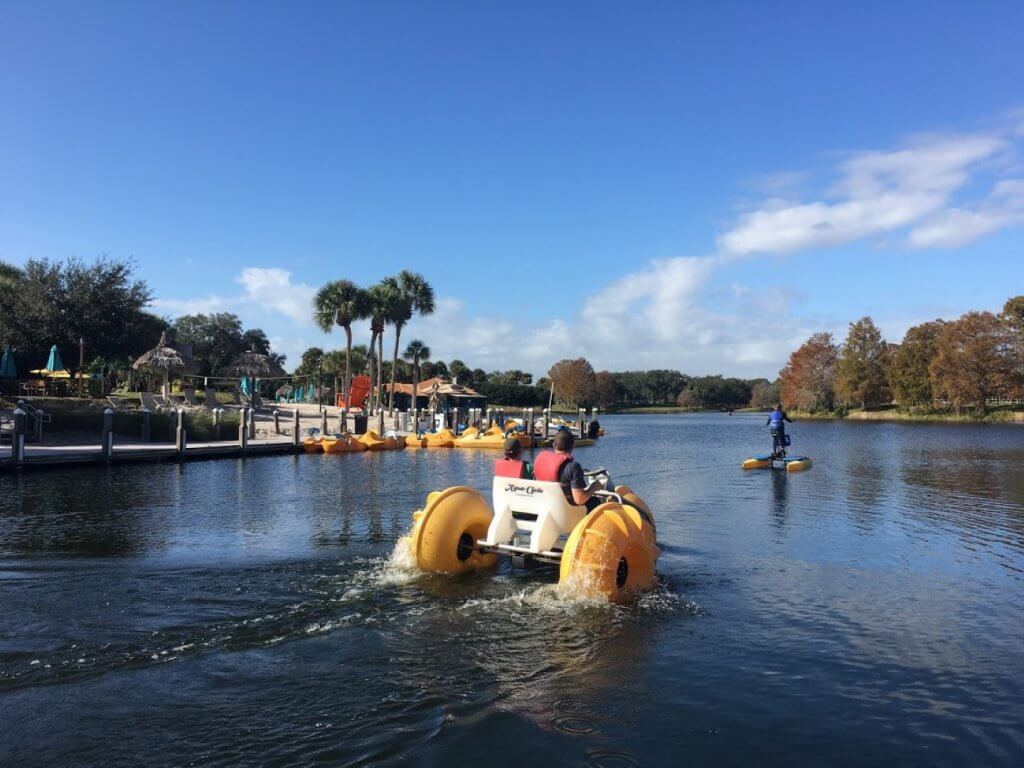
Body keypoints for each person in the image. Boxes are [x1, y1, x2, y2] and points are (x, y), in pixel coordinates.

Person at [534, 430, 603, 511]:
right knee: (595, 501)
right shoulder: (573, 466)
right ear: (572, 446)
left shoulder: (540, 460)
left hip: (544, 507)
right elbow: (579, 499)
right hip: (566, 512)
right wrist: (593, 487)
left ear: (553, 445)